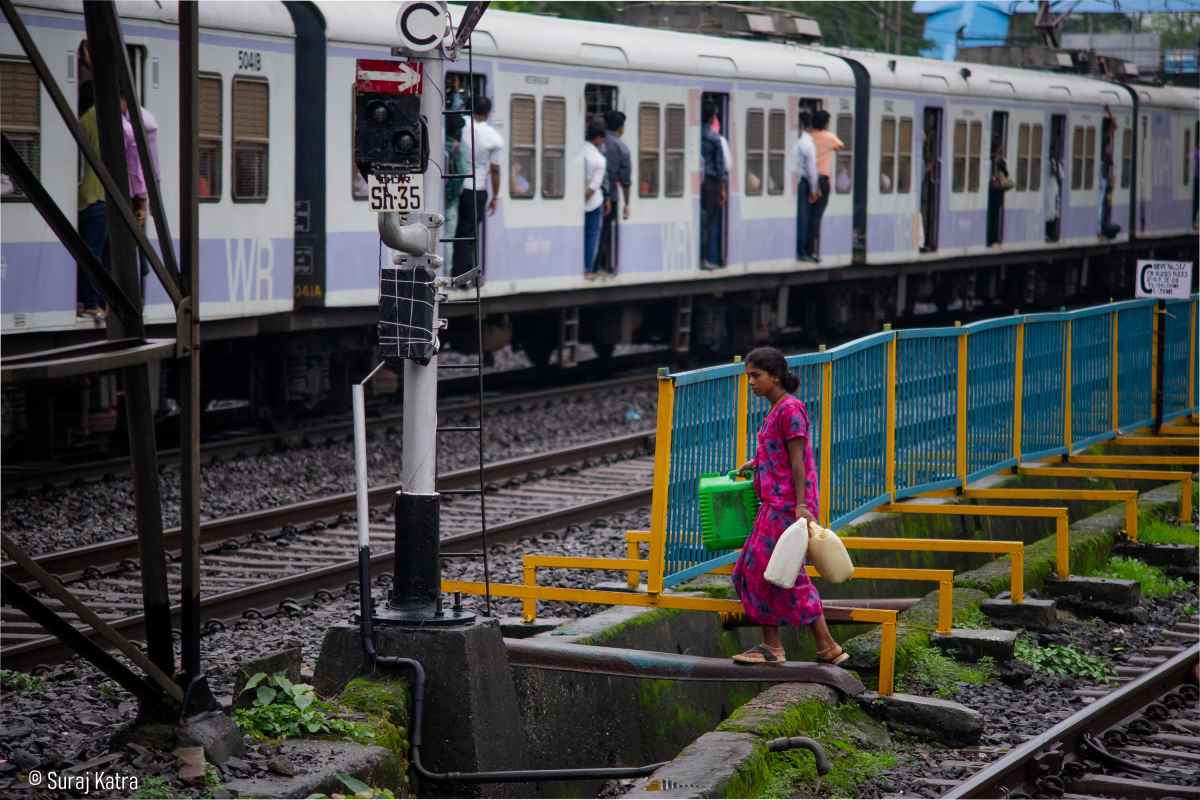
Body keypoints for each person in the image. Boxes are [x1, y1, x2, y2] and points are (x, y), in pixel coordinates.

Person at [730, 347, 848, 667]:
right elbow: (781, 452)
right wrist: (756, 463)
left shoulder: (790, 410)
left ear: (776, 376)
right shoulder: (778, 409)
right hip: (776, 503)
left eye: (756, 376)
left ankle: (780, 647)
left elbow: (799, 462)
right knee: (757, 573)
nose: (751, 383)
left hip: (787, 507)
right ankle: (824, 647)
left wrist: (802, 506)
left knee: (763, 572)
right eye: (748, 377)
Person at [76, 98, 145, 319]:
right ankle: (92, 303)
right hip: (104, 197)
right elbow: (133, 164)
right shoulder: (120, 125)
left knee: (96, 253)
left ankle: (95, 303)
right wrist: (140, 199)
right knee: (101, 255)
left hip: (90, 195)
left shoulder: (86, 118)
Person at [452, 95, 502, 279]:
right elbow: (495, 170)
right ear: (488, 113)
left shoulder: (461, 125)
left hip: (457, 184)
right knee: (470, 234)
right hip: (477, 188)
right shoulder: (494, 137)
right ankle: (464, 275)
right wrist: (496, 196)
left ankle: (456, 270)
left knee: (457, 231)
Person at [595, 109, 631, 277]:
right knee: (606, 232)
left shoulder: (596, 143)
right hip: (611, 195)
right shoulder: (622, 148)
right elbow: (625, 180)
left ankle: (593, 265)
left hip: (593, 193)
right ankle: (604, 265)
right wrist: (627, 204)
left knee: (595, 229)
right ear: (620, 128)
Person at [808, 110, 843, 263]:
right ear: (826, 124)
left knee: (807, 216)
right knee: (816, 217)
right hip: (822, 181)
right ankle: (814, 252)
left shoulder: (808, 138)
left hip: (808, 180)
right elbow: (840, 146)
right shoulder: (830, 137)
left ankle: (806, 249)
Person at [700, 103, 727, 271]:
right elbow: (720, 166)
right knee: (708, 223)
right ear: (712, 118)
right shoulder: (715, 138)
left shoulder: (693, 134)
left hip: (696, 183)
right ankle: (705, 259)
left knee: (699, 221)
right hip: (711, 184)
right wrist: (722, 188)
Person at [582, 122, 608, 278]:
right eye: (602, 139)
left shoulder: (577, 151)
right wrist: (582, 201)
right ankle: (587, 269)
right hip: (592, 204)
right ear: (597, 138)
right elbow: (593, 187)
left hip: (573, 202)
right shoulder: (599, 159)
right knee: (591, 236)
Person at [792, 110, 818, 262]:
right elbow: (812, 169)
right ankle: (802, 252)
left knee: (801, 217)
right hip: (805, 183)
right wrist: (814, 189)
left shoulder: (799, 142)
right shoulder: (808, 143)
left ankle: (801, 250)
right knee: (804, 218)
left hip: (799, 181)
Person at [443, 112, 467, 270]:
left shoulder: (438, 144)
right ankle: (445, 273)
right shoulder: (458, 149)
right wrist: (452, 195)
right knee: (448, 238)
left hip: (433, 197)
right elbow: (462, 172)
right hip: (450, 199)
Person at [986, 153, 1010, 247]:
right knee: (993, 220)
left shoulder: (1000, 174)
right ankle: (992, 240)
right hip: (994, 198)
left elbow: (1006, 184)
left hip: (995, 198)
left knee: (994, 220)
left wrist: (997, 184)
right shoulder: (997, 173)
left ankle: (993, 240)